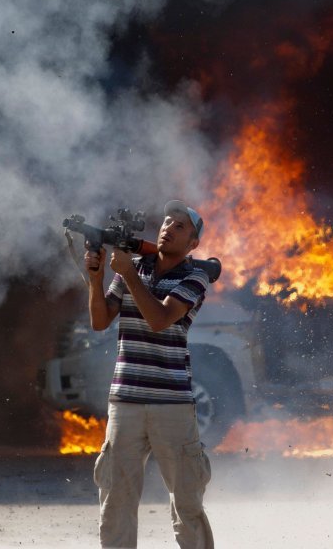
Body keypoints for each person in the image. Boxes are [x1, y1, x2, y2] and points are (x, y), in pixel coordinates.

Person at [84, 200, 214, 549]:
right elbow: (100, 321)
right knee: (116, 500)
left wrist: (126, 273)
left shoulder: (195, 276)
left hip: (170, 402)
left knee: (186, 501)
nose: (168, 228)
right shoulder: (134, 266)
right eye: (167, 221)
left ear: (193, 244)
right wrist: (95, 279)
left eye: (180, 226)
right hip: (124, 400)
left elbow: (159, 320)